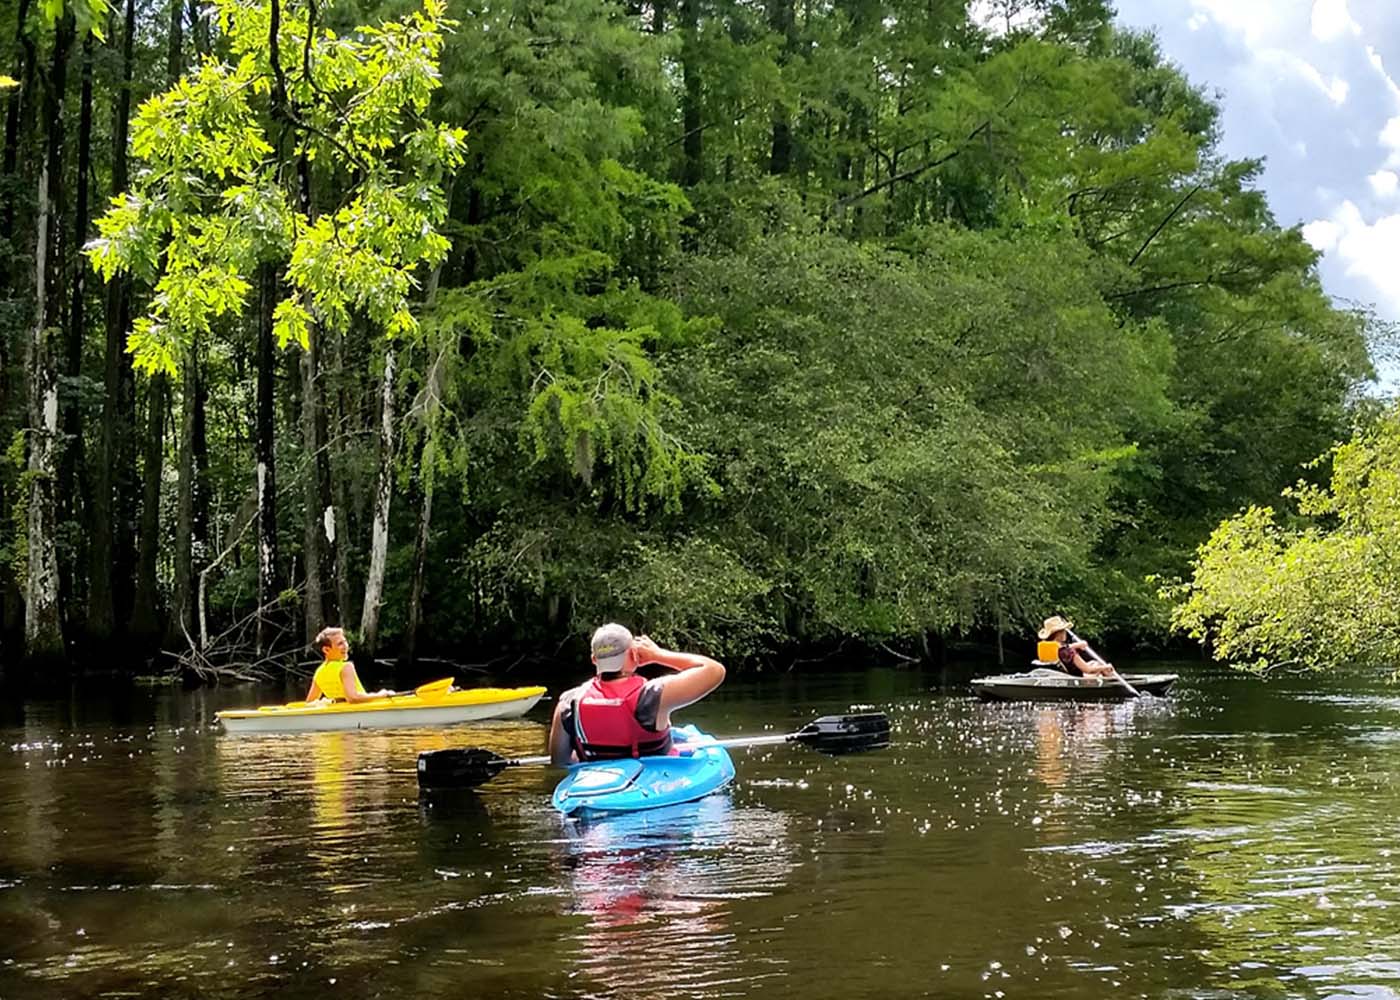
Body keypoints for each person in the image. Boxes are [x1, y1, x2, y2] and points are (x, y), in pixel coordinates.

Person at [548, 623, 726, 764]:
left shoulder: (568, 702)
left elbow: (560, 761)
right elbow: (715, 670)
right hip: (657, 781)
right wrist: (658, 655)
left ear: (594, 660)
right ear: (634, 654)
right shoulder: (651, 695)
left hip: (600, 783)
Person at [304, 626, 393, 703]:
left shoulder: (319, 672)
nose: (346, 646)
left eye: (345, 642)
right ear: (326, 650)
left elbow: (310, 702)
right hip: (361, 711)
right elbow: (353, 698)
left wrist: (329, 701)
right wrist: (381, 694)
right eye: (340, 644)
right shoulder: (346, 667)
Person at [1037, 616, 1120, 680]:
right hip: (1078, 679)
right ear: (1059, 633)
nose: (1065, 632)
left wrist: (1077, 645)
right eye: (1064, 631)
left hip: (1062, 675)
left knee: (1094, 663)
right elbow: (1088, 670)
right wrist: (1106, 667)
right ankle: (1114, 682)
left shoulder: (1049, 648)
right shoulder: (1069, 652)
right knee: (1100, 665)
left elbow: (1062, 648)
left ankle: (1111, 678)